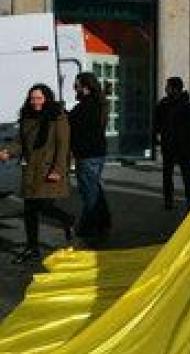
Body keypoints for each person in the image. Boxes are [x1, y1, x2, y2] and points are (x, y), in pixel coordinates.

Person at [0, 83, 74, 262]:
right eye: (32, 98)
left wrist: (58, 169)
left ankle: (67, 219)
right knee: (30, 210)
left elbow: (63, 145)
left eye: (39, 98)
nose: (35, 102)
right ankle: (32, 248)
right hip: (31, 170)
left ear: (46, 98)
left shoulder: (57, 116)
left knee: (44, 206)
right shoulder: (27, 116)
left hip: (49, 169)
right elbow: (20, 142)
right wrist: (8, 151)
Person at [69, 71, 111, 238]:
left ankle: (91, 228)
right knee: (95, 189)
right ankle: (102, 223)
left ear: (85, 87)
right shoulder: (98, 103)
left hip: (87, 155)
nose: (75, 88)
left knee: (89, 193)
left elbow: (76, 125)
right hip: (97, 153)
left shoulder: (86, 106)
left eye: (76, 85)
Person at [153, 76, 190, 211]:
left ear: (175, 89)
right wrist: (157, 135)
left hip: (184, 145)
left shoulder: (187, 105)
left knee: (187, 174)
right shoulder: (163, 103)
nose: (166, 89)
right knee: (167, 174)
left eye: (168, 86)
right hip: (168, 144)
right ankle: (168, 201)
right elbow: (157, 122)